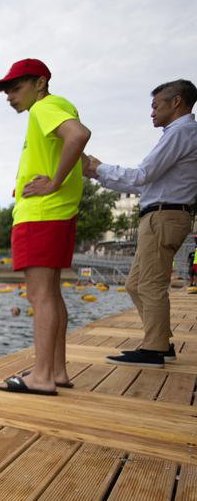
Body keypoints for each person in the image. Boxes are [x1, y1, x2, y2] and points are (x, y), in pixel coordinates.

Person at [0, 59, 91, 396]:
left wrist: (53, 183)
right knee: (52, 293)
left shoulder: (44, 108)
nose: (9, 96)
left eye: (15, 88)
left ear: (40, 83)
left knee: (40, 295)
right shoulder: (57, 109)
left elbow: (79, 136)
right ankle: (56, 370)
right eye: (6, 91)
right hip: (56, 215)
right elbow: (80, 154)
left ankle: (42, 375)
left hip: (41, 216)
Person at [85, 80, 197, 367]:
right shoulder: (180, 134)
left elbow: (141, 175)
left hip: (163, 216)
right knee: (136, 284)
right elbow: (146, 184)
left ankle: (155, 349)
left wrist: (99, 167)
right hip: (162, 213)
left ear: (176, 103)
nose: (151, 112)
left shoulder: (181, 132)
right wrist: (99, 174)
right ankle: (161, 341)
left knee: (149, 284)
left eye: (155, 105)